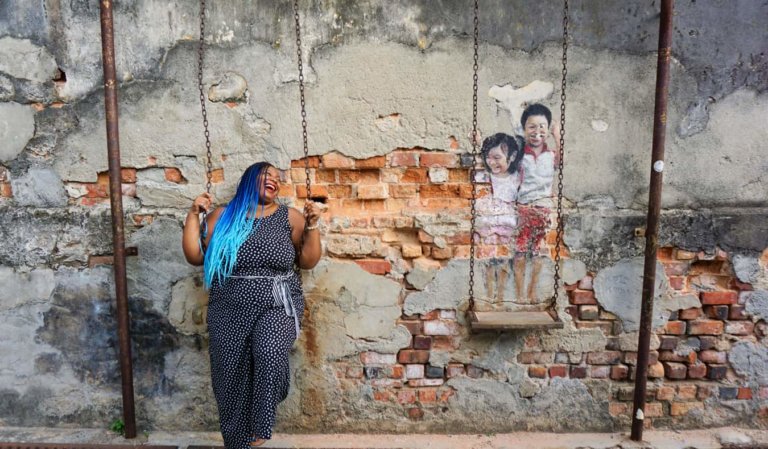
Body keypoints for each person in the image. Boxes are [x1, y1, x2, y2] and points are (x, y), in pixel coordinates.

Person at [182, 162, 323, 448]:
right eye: (266, 175)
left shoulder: (289, 217)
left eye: (277, 178)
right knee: (229, 372)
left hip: (277, 302)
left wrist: (312, 225)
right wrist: (193, 215)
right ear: (248, 180)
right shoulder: (223, 216)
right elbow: (196, 256)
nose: (273, 180)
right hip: (228, 305)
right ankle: (236, 441)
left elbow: (308, 261)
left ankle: (261, 421)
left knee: (270, 351)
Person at [513, 103, 561, 303]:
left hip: (543, 210)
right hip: (524, 209)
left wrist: (558, 137)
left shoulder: (551, 156)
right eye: (531, 126)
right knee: (521, 250)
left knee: (539, 250)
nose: (537, 131)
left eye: (542, 126)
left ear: (548, 130)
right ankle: (519, 293)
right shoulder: (519, 155)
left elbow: (563, 159)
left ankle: (533, 291)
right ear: (524, 130)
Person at [477, 133, 523, 303]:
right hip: (486, 230)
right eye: (488, 157)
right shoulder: (483, 177)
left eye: (497, 157)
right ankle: (487, 296)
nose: (491, 162)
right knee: (488, 262)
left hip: (508, 229)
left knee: (504, 263)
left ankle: (502, 297)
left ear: (511, 157)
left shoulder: (516, 178)